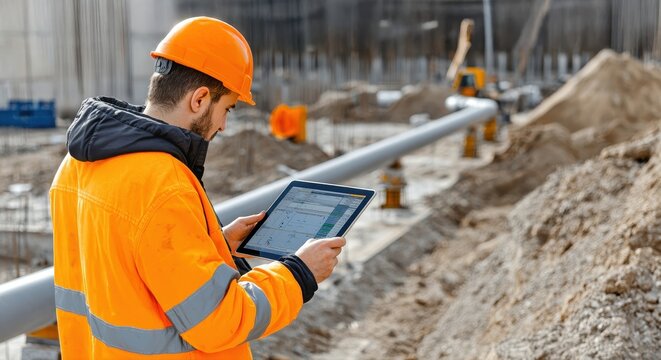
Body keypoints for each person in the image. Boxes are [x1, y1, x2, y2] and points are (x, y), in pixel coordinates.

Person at [50, 16, 345, 359]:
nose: (222, 126)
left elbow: (128, 268)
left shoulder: (76, 166)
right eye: (227, 109)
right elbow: (221, 321)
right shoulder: (163, 185)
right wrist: (299, 274)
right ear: (200, 98)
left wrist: (214, 245)